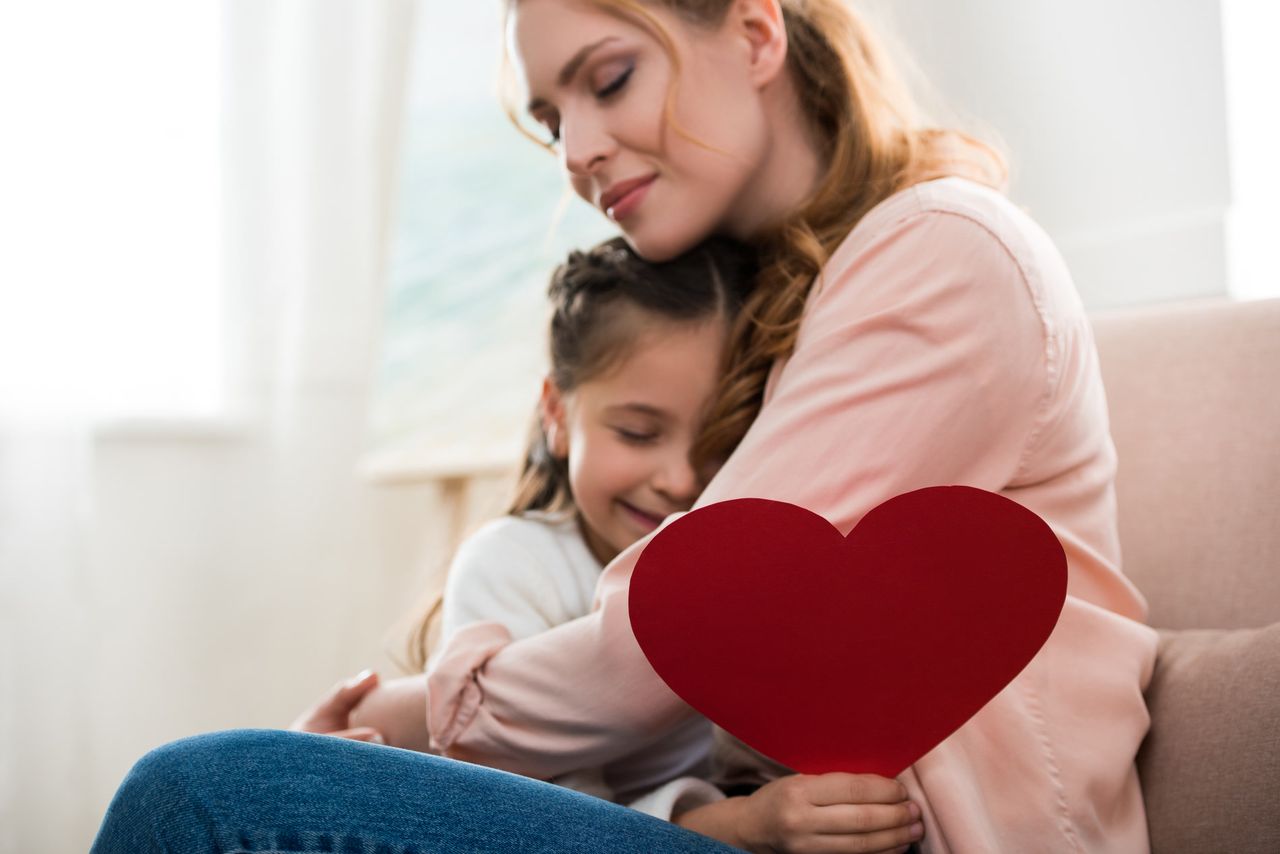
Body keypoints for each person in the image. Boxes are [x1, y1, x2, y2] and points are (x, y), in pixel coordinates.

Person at [91, 1, 1159, 852]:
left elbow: (678, 633)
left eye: (607, 80)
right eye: (553, 118)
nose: (575, 151)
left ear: (753, 31)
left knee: (200, 794)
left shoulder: (940, 256)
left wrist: (416, 712)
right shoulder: (773, 307)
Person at [318, 235, 760, 817]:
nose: (680, 480)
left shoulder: (753, 570)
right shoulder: (514, 565)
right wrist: (735, 826)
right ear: (556, 414)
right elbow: (548, 821)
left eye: (720, 445)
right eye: (637, 433)